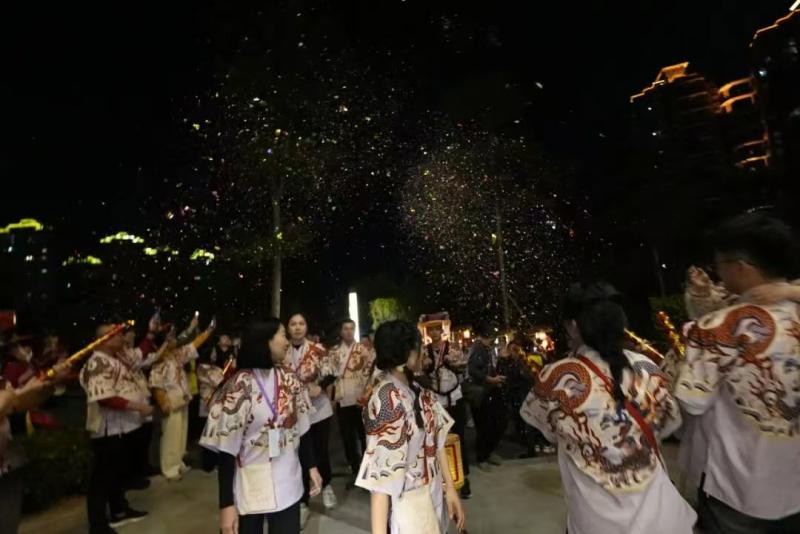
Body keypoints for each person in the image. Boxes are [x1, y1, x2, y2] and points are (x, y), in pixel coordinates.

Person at [520, 281, 696, 534]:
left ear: (574, 326)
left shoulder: (557, 377)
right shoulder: (647, 366)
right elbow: (669, 424)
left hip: (597, 522)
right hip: (664, 517)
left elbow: (549, 431)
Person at [675, 212, 800, 533]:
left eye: (720, 265)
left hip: (739, 489)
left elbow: (691, 402)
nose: (717, 273)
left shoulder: (716, 326)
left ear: (741, 267)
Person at [201, 318, 323, 534]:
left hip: (288, 481)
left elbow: (303, 428)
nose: (287, 341)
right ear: (265, 341)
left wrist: (311, 466)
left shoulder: (290, 379)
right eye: (282, 335)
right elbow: (226, 451)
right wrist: (226, 505)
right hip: (250, 486)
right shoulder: (238, 386)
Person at [357, 320, 466, 534]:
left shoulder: (418, 390)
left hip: (432, 492)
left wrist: (450, 489)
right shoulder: (387, 399)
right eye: (419, 347)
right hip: (408, 504)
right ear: (408, 353)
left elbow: (438, 442)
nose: (423, 352)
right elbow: (381, 481)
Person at [80, 323, 155, 534]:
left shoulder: (116, 359)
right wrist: (138, 406)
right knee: (102, 478)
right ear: (104, 340)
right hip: (108, 429)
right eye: (116, 335)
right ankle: (98, 525)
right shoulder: (97, 362)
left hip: (122, 428)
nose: (122, 338)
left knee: (117, 473)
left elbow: (140, 354)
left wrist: (151, 333)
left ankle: (118, 509)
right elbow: (104, 398)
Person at [284, 313, 336, 523]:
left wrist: (320, 387)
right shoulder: (282, 350)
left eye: (301, 323)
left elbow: (332, 372)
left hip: (318, 408)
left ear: (306, 327)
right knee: (300, 454)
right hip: (294, 411)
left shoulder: (317, 349)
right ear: (288, 328)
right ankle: (303, 501)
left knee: (320, 450)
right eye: (293, 324)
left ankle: (327, 485)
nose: (297, 327)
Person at [149, 316, 213, 481]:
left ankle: (177, 462)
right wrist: (163, 401)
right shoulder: (159, 359)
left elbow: (194, 345)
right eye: (170, 338)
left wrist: (208, 331)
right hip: (171, 402)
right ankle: (169, 468)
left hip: (182, 400)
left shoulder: (176, 355)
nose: (174, 340)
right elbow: (156, 384)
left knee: (180, 436)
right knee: (171, 436)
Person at [420, 313, 471, 498]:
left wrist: (453, 362)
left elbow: (464, 366)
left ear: (441, 330)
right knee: (437, 441)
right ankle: (442, 479)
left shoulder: (453, 347)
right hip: (436, 400)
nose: (434, 332)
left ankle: (463, 478)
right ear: (427, 332)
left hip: (454, 397)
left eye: (437, 329)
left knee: (459, 438)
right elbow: (418, 372)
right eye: (431, 329)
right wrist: (425, 367)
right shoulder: (423, 351)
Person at [329, 318, 375, 486]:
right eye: (345, 329)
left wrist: (367, 394)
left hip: (361, 398)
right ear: (341, 332)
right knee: (347, 436)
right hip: (343, 398)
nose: (349, 332)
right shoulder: (334, 352)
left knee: (364, 435)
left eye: (351, 328)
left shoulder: (364, 350)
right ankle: (355, 468)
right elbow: (330, 376)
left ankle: (367, 467)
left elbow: (372, 374)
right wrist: (331, 399)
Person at [466, 322, 505, 470]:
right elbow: (473, 371)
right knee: (484, 426)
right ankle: (482, 457)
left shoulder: (484, 348)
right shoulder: (478, 348)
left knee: (491, 424)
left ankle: (487, 453)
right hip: (481, 393)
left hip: (487, 391)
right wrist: (491, 380)